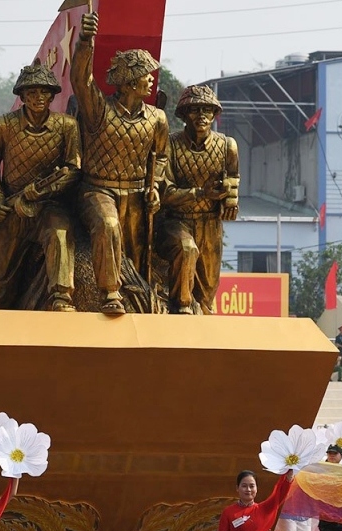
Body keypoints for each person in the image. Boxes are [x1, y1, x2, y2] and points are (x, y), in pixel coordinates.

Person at [74, 10, 168, 314]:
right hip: (96, 191)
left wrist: (155, 187)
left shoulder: (157, 119)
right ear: (127, 83)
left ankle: (143, 298)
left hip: (136, 193)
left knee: (138, 253)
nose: (152, 79)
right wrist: (86, 40)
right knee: (108, 225)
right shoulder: (99, 110)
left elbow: (162, 156)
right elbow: (80, 80)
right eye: (145, 75)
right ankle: (110, 293)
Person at [0, 63, 81, 312]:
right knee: (5, 282)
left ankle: (61, 297)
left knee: (60, 234)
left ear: (52, 95)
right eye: (31, 93)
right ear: (21, 96)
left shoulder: (67, 126)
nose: (37, 98)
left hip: (49, 205)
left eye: (43, 92)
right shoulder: (4, 125)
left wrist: (44, 191)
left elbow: (74, 169)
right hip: (13, 206)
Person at [158, 85, 239, 315]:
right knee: (186, 249)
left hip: (210, 223)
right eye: (194, 110)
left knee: (207, 291)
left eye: (207, 110)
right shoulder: (171, 144)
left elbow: (233, 178)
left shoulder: (227, 146)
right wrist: (201, 193)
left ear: (214, 114)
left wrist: (229, 199)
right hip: (176, 221)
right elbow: (166, 192)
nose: (201, 116)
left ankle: (202, 331)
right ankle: (181, 308)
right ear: (184, 114)